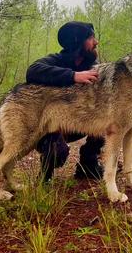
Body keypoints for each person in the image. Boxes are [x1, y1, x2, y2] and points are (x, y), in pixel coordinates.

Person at [26, 21, 104, 182]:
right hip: (50, 127)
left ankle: (88, 164)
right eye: (91, 38)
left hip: (76, 122)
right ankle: (45, 177)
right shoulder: (56, 60)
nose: (96, 42)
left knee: (104, 119)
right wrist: (73, 76)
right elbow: (32, 71)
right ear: (77, 42)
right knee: (57, 152)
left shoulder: (92, 65)